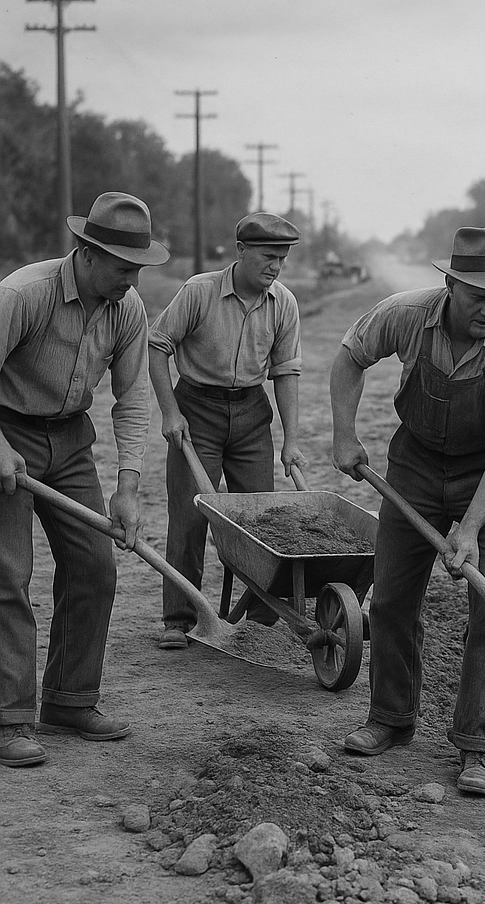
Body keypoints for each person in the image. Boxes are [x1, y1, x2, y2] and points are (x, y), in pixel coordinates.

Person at [330, 226, 485, 796]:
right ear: (450, 285)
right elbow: (350, 358)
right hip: (416, 468)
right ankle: (390, 718)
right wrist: (344, 435)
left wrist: (471, 527)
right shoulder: (405, 315)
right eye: (480, 297)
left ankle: (480, 745)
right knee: (394, 597)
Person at [0, 191, 168, 768]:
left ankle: (70, 700)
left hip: (70, 439)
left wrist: (127, 483)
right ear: (87, 254)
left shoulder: (128, 309)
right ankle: (10, 717)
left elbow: (131, 396)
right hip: (6, 429)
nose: (133, 280)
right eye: (125, 268)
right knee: (8, 573)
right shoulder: (24, 294)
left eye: (139, 269)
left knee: (94, 564)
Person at [149, 213, 307, 649]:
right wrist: (169, 412)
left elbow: (286, 371)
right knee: (189, 516)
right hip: (196, 410)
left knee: (260, 521)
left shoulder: (284, 304)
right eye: (267, 256)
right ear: (240, 251)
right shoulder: (199, 292)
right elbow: (157, 344)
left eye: (282, 259)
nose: (275, 267)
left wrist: (291, 439)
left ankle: (260, 621)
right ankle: (179, 620)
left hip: (252, 415)